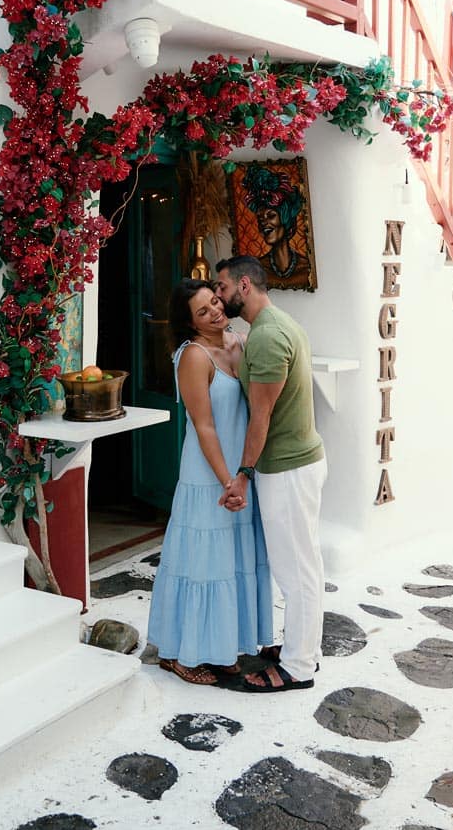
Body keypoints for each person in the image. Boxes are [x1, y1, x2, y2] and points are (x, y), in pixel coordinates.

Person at [146, 278, 275, 685]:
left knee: (231, 562)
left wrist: (243, 475)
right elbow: (204, 427)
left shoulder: (240, 342)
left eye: (215, 302)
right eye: (203, 311)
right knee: (201, 563)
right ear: (190, 322)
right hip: (210, 475)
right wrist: (227, 482)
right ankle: (179, 655)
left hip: (240, 472)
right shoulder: (193, 356)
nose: (215, 311)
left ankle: (220, 648)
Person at [215, 255, 327, 692]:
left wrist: (243, 474)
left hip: (287, 469)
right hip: (297, 464)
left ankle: (298, 667)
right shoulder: (275, 326)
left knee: (295, 571)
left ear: (244, 285)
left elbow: (260, 417)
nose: (219, 296)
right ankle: (305, 649)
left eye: (223, 287)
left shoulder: (267, 336)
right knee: (304, 565)